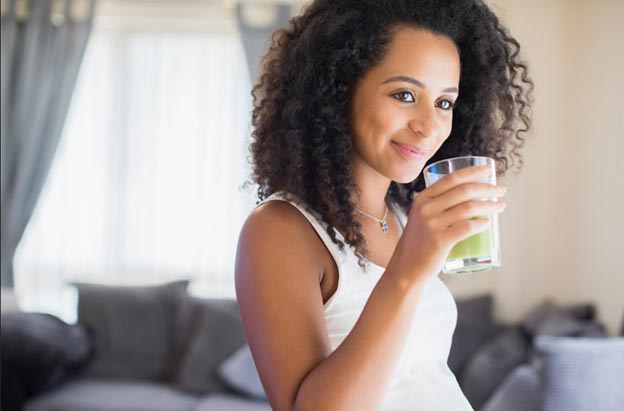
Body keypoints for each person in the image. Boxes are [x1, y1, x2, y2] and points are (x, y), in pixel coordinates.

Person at [235, 0, 533, 410]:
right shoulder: (279, 229)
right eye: (405, 94)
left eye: (444, 102)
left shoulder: (401, 214)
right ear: (338, 89)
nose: (429, 125)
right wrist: (408, 271)